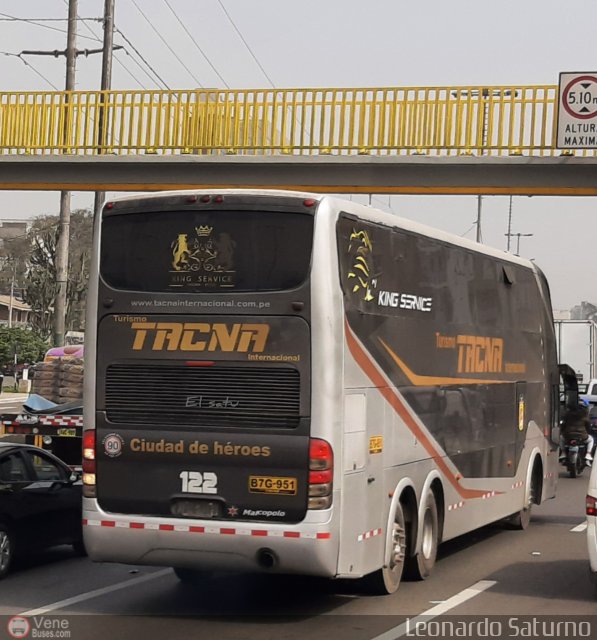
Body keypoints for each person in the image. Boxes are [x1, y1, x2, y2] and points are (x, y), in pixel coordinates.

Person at [559, 399, 594, 466]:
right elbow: (588, 426)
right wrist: (588, 431)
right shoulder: (584, 415)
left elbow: (563, 425)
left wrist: (562, 431)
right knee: (591, 440)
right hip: (582, 437)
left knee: (561, 438)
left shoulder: (567, 415)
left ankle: (563, 453)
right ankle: (588, 454)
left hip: (568, 436)